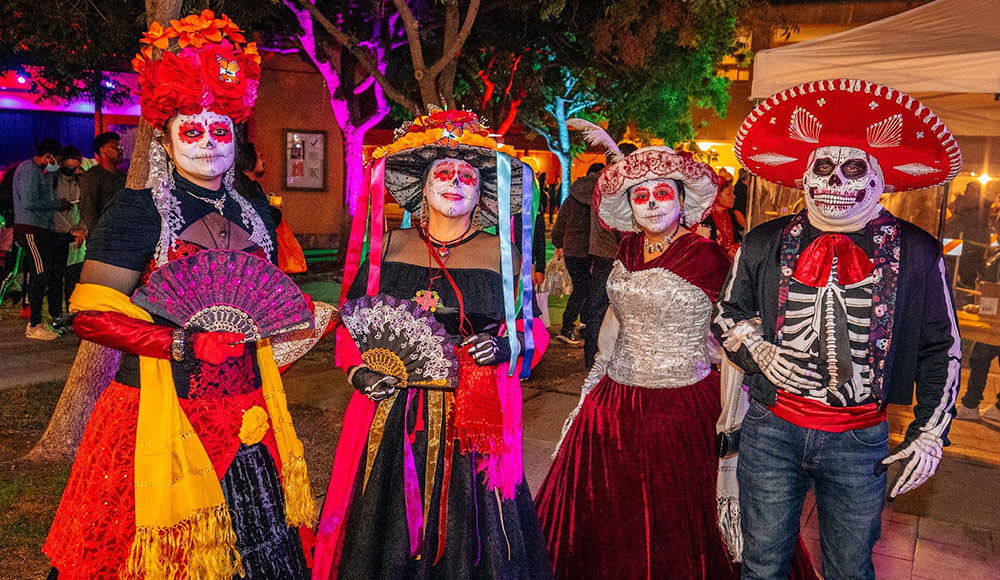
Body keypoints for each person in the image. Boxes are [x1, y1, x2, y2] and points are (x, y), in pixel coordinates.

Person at [44, 12, 315, 580]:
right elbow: (92, 315)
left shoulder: (258, 212)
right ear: (165, 140)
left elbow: (277, 296)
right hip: (158, 411)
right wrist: (182, 342)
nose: (208, 144)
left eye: (220, 130)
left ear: (236, 137)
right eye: (191, 130)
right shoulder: (137, 212)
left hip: (246, 417)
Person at [713, 79, 962, 580]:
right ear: (804, 178)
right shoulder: (763, 241)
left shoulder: (916, 251)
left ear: (879, 180)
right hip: (771, 430)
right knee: (761, 567)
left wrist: (930, 431)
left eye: (854, 169)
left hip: (859, 438)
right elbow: (726, 314)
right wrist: (759, 350)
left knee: (849, 568)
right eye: (823, 167)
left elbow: (942, 346)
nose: (836, 181)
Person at [313, 110, 552, 580]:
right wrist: (356, 371)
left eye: (467, 175)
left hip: (473, 411)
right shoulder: (389, 247)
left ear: (483, 193)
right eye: (443, 172)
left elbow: (531, 328)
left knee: (473, 524)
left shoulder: (503, 255)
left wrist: (508, 348)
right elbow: (352, 322)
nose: (455, 182)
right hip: (394, 412)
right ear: (422, 187)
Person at [13, 138, 68, 340]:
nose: (57, 165)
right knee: (40, 273)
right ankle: (34, 324)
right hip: (30, 227)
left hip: (38, 227)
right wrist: (56, 204)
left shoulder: (38, 171)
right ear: (49, 156)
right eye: (57, 160)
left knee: (42, 273)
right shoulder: (29, 170)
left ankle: (37, 320)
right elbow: (29, 201)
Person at [235, 142, 307, 274]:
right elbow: (267, 231)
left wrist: (267, 200)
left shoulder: (247, 186)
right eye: (259, 157)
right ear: (250, 160)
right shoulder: (249, 191)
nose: (263, 161)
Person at [551, 164, 603, 344]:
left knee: (583, 287)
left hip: (572, 249)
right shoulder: (601, 199)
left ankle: (584, 323)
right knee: (585, 288)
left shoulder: (572, 199)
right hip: (594, 250)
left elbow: (560, 223)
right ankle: (568, 327)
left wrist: (558, 243)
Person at [53, 146, 86, 310]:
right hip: (59, 234)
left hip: (77, 235)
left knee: (74, 276)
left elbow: (83, 207)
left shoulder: (78, 180)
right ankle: (57, 312)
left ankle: (71, 310)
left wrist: (81, 230)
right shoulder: (54, 180)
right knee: (57, 277)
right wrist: (70, 231)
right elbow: (53, 211)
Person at [78, 131, 125, 236]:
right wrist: (98, 235)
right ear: (102, 150)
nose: (120, 151)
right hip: (102, 236)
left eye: (121, 147)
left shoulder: (122, 176)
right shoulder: (92, 176)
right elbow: (88, 210)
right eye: (115, 147)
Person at [699, 170, 743, 258]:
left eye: (733, 193)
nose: (734, 196)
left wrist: (735, 247)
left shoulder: (731, 215)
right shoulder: (705, 217)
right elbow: (705, 248)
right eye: (728, 194)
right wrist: (726, 252)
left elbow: (737, 238)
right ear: (717, 196)